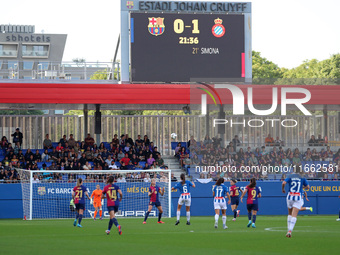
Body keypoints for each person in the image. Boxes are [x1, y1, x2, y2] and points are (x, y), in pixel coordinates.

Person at [282, 173, 310, 238]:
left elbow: (283, 183)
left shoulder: (290, 176)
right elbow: (308, 187)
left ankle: (288, 229)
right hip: (298, 197)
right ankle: (290, 231)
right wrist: (302, 187)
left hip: (290, 196)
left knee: (289, 214)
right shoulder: (302, 177)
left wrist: (283, 189)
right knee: (294, 215)